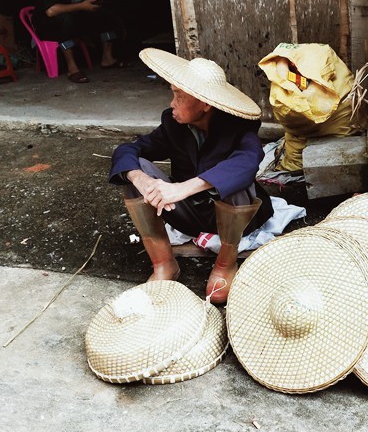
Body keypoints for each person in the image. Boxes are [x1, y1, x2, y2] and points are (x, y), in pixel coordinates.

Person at [109, 48, 274, 304]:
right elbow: (129, 149)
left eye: (178, 95)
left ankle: (225, 265)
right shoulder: (174, 123)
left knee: (237, 180)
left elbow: (248, 161)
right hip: (187, 214)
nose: (172, 103)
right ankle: (164, 263)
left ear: (204, 103)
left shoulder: (239, 127)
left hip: (232, 217)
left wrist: (184, 188)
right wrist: (141, 179)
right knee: (134, 169)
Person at [34, 0, 126, 83]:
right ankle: (72, 68)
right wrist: (82, 6)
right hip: (47, 26)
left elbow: (89, 6)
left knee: (105, 15)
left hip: (73, 22)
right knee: (65, 20)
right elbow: (51, 10)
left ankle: (108, 59)